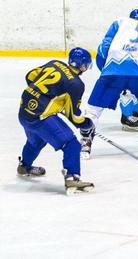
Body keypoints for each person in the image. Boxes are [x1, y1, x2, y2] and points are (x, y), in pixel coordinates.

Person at [81, 3, 138, 158]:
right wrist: (137, 86)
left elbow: (105, 46)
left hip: (111, 70)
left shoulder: (120, 22)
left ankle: (85, 142)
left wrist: (107, 69)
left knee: (94, 107)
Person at [18, 47, 95, 194]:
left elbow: (30, 76)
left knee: (37, 141)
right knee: (71, 144)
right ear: (83, 66)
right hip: (40, 116)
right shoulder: (76, 84)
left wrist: (43, 96)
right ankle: (72, 178)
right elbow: (74, 116)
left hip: (24, 110)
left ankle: (24, 166)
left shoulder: (55, 63)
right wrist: (87, 124)